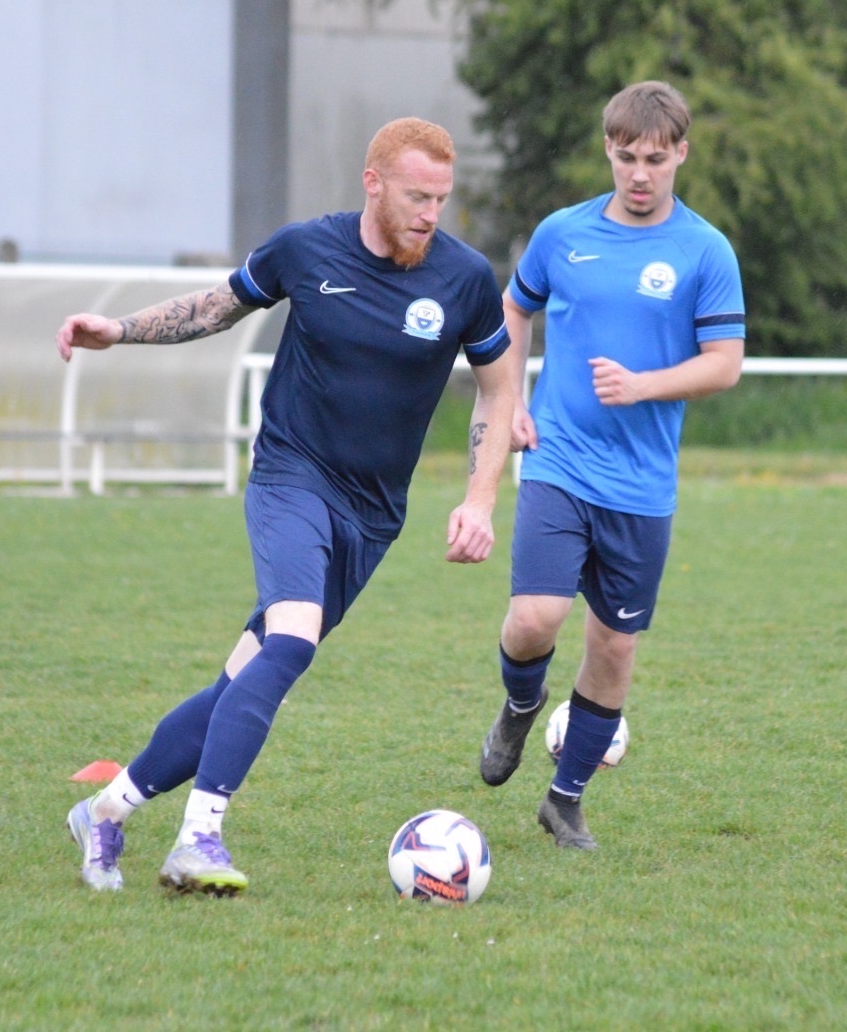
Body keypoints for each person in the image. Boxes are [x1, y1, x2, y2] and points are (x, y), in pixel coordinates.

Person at [56, 117, 514, 895]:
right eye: (416, 196)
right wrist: (120, 330)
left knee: (243, 680)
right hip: (290, 476)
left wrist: (480, 499)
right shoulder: (307, 249)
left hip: (373, 515)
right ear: (373, 184)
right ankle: (199, 837)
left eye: (441, 198)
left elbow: (499, 392)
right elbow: (217, 306)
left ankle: (105, 808)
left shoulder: (464, 278)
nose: (430, 214)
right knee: (293, 639)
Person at [476, 81, 746, 848]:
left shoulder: (705, 250)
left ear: (681, 154)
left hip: (642, 483)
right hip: (558, 459)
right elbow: (513, 308)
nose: (639, 173)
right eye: (626, 157)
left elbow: (725, 363)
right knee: (535, 618)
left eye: (655, 159)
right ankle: (521, 705)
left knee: (614, 645)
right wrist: (510, 397)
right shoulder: (562, 233)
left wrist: (643, 385)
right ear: (608, 150)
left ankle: (564, 799)